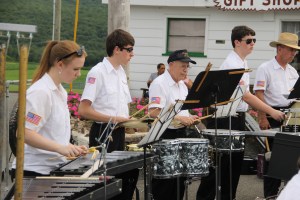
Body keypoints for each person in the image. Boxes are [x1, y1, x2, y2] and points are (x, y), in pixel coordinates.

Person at [196, 25, 285, 200]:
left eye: (254, 40)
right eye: (248, 41)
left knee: (233, 167)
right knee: (220, 167)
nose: (252, 44)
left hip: (235, 117)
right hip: (224, 119)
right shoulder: (232, 63)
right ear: (237, 42)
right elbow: (246, 96)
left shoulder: (241, 61)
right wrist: (271, 112)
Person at [11, 40, 88, 179]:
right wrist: (61, 148)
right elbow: (25, 133)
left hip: (52, 169)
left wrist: (70, 147)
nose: (79, 74)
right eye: (76, 69)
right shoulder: (41, 92)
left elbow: (51, 134)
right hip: (33, 171)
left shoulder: (60, 92)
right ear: (59, 64)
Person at [78, 29, 139, 200]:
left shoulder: (120, 72)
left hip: (117, 132)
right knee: (105, 187)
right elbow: (83, 110)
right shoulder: (97, 72)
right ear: (117, 49)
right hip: (102, 134)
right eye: (129, 49)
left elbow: (120, 107)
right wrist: (114, 119)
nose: (132, 54)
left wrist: (128, 120)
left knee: (121, 183)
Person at [253, 32, 300, 198]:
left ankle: (288, 194)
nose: (294, 53)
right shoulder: (265, 68)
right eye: (291, 50)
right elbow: (259, 95)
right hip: (271, 116)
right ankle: (270, 195)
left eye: (295, 50)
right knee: (273, 160)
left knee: (291, 159)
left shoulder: (293, 71)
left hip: (290, 117)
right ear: (279, 49)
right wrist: (262, 117)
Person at [148, 49, 199, 200]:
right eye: (183, 65)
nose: (186, 69)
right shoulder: (159, 83)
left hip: (181, 134)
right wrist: (179, 118)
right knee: (165, 181)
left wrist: (189, 117)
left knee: (180, 180)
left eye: (187, 66)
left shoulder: (182, 85)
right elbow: (154, 112)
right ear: (171, 65)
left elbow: (181, 110)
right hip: (165, 135)